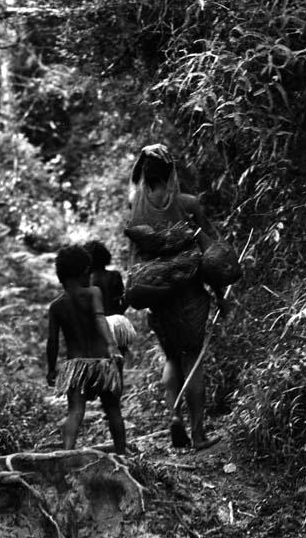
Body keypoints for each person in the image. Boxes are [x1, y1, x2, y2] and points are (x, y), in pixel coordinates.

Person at [127, 143, 225, 450]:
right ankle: (198, 434)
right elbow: (211, 253)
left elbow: (137, 252)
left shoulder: (135, 205)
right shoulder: (188, 204)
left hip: (156, 294)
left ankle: (174, 417)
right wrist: (221, 294)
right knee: (192, 357)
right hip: (190, 293)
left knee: (170, 356)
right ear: (171, 172)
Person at [46, 245, 126, 454]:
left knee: (75, 411)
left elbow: (52, 341)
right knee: (113, 410)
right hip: (102, 364)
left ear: (61, 277)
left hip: (76, 366)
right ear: (84, 272)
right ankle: (121, 454)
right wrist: (111, 345)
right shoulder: (93, 293)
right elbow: (99, 317)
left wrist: (51, 369)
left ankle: (65, 454)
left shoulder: (56, 306)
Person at [84, 239, 136, 357]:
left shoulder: (87, 281)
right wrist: (118, 315)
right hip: (118, 324)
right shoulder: (115, 276)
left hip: (98, 328)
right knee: (118, 364)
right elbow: (125, 300)